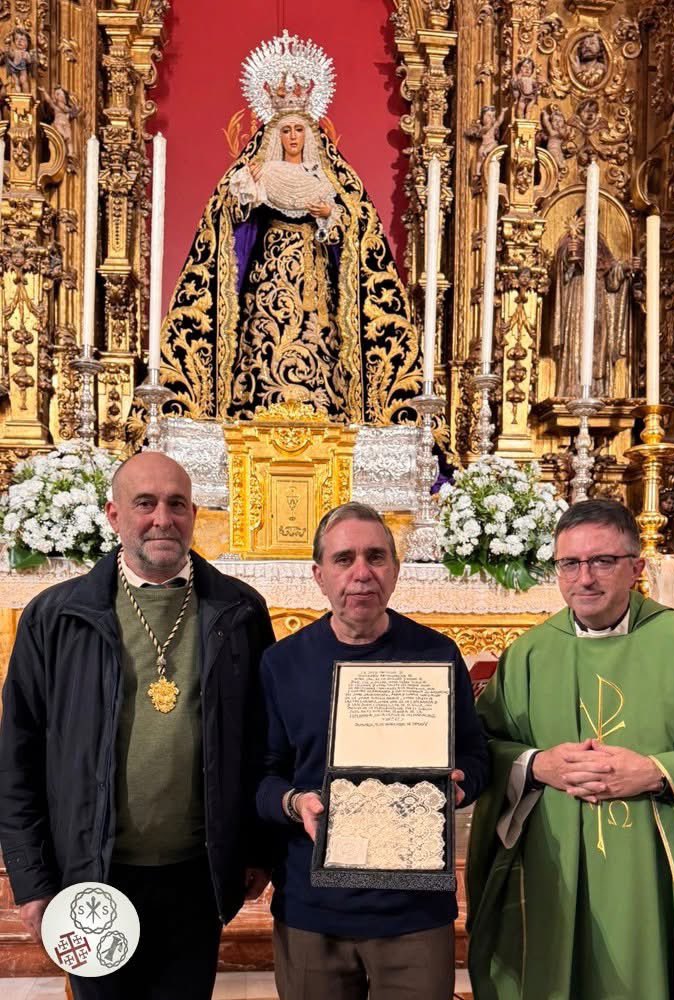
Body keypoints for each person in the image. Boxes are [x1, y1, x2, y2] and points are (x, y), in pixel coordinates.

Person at [0, 451, 275, 999]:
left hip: (197, 874)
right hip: (93, 873)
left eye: (176, 504)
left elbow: (262, 744)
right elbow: (18, 759)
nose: (162, 518)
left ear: (194, 515)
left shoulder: (239, 611)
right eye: (144, 504)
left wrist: (258, 849)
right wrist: (31, 880)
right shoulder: (55, 617)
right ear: (113, 515)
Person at [466, 499, 674, 1000]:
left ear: (637, 568)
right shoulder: (530, 655)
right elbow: (480, 748)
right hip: (551, 863)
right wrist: (536, 764)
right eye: (570, 564)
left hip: (654, 873)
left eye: (603, 561)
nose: (585, 578)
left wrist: (659, 772)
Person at [256, 501, 489, 1000]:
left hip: (413, 909)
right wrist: (297, 804)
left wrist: (456, 787)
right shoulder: (283, 663)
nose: (361, 573)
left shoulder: (436, 654)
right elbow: (263, 776)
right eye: (344, 559)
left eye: (376, 557)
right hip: (312, 909)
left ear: (396, 570)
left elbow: (477, 756)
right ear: (319, 575)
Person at [161, 30, 421, 425]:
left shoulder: (329, 178)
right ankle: (260, 405)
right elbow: (231, 215)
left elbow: (352, 228)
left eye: (299, 130)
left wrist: (327, 217)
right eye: (286, 130)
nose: (293, 137)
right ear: (274, 134)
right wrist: (246, 189)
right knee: (263, 332)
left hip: (313, 273)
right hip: (270, 268)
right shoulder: (258, 171)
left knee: (316, 333)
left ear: (311, 134)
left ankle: (320, 408)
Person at [550, 208, 633, 397]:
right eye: (587, 215)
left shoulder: (600, 244)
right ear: (578, 218)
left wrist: (623, 268)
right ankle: (574, 388)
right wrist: (568, 258)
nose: (590, 219)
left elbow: (612, 281)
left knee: (599, 338)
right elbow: (562, 269)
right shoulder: (570, 240)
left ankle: (597, 390)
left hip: (599, 296)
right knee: (578, 336)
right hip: (578, 294)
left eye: (594, 215)